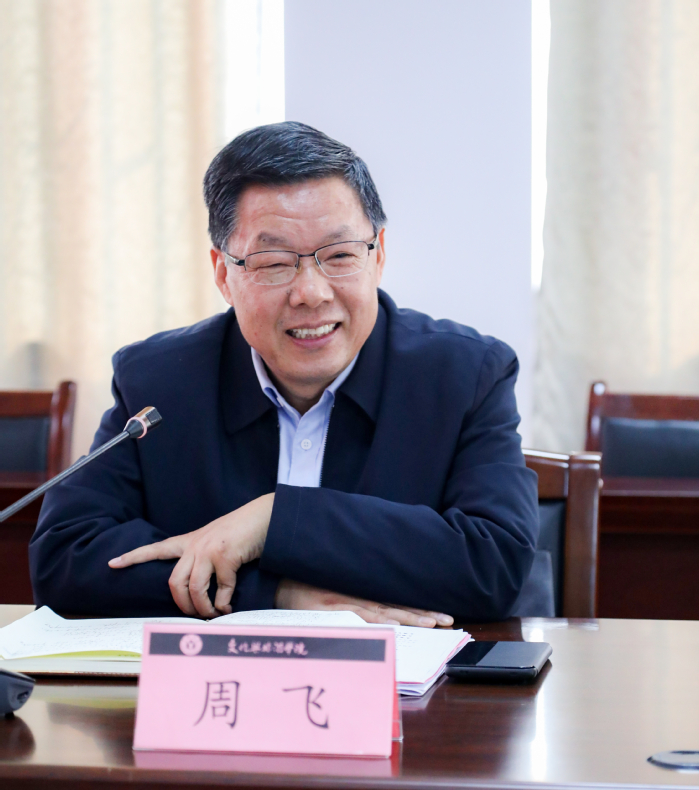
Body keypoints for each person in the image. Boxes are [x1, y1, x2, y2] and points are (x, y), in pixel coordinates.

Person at [30, 122, 539, 626]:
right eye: (274, 263)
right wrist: (274, 595)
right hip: (218, 678)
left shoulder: (465, 376)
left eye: (339, 256)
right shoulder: (160, 382)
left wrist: (276, 519)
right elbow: (65, 555)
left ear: (378, 255)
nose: (311, 293)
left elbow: (496, 566)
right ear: (223, 274)